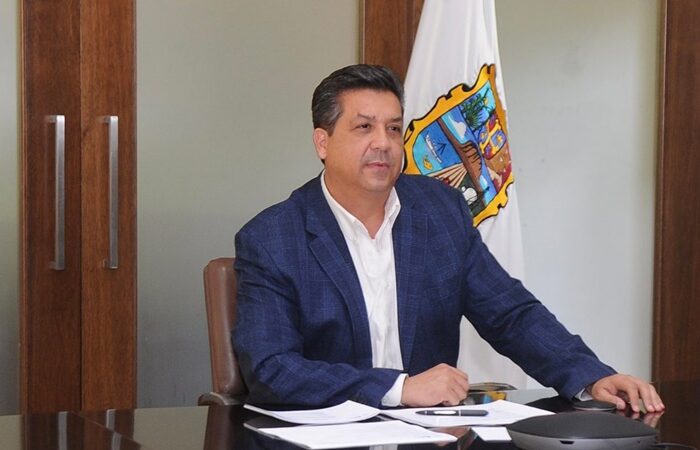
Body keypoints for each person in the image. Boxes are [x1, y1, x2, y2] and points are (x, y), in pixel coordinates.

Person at [232, 64, 663, 413]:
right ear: (322, 142)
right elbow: (272, 368)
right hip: (324, 438)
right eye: (364, 127)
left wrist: (590, 375)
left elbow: (509, 313)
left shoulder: (439, 211)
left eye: (394, 129)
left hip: (430, 433)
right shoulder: (272, 239)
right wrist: (399, 389)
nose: (383, 143)